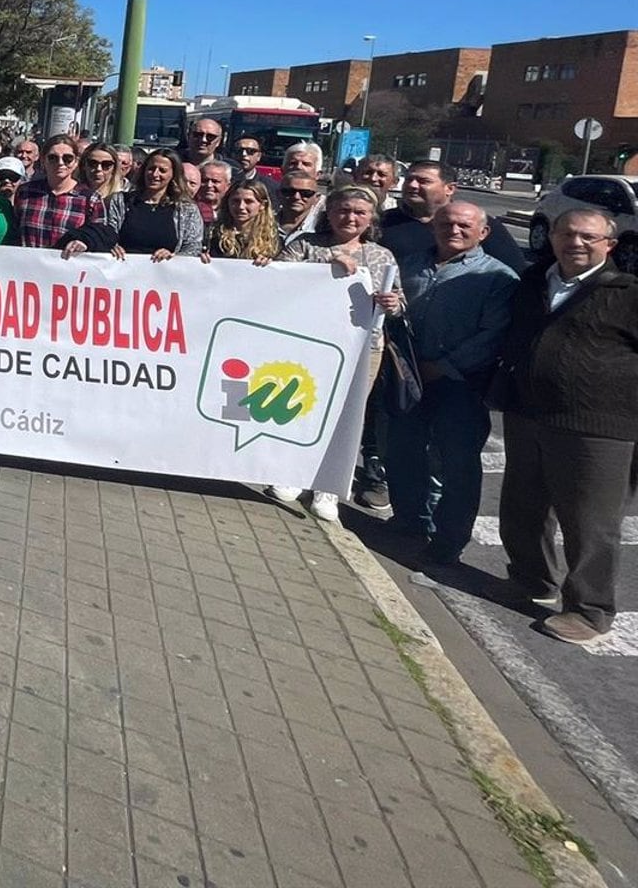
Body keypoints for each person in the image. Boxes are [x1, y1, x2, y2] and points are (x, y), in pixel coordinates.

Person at [493, 208, 638, 645]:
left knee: (590, 522)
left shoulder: (628, 293)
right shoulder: (535, 282)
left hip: (597, 426)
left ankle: (590, 609)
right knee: (524, 506)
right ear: (552, 237)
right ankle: (532, 581)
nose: (576, 243)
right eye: (567, 234)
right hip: (528, 413)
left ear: (609, 245)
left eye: (589, 238)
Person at [390, 202, 518, 565]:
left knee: (457, 465)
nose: (455, 230)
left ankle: (449, 540)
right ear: (434, 226)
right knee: (404, 451)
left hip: (461, 384)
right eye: (447, 223)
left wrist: (444, 366)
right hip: (409, 377)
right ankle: (408, 521)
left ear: (484, 233)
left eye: (464, 225)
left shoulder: (498, 277)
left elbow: (492, 334)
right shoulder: (411, 264)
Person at [271, 185, 405, 520]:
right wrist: (329, 265)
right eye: (343, 210)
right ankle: (294, 472)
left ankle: (328, 486)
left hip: (362, 350)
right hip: (307, 343)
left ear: (371, 218)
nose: (350, 217)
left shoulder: (381, 255)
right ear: (328, 213)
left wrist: (393, 304)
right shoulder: (305, 245)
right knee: (300, 407)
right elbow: (278, 281)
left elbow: (398, 302)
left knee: (347, 416)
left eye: (359, 212)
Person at [380, 161, 526, 275]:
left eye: (423, 181)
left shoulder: (476, 223)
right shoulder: (384, 221)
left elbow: (514, 271)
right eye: (409, 179)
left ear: (449, 188)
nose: (412, 185)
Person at [13, 136, 111, 254]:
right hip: (28, 268)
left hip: (69, 268)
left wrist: (85, 242)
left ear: (76, 162)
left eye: (67, 158)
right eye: (53, 158)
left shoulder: (91, 198)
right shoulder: (25, 191)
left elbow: (101, 234)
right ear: (43, 161)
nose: (60, 163)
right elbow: (14, 232)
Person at [99, 149, 202, 261]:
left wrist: (173, 257)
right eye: (151, 169)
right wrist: (112, 247)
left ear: (173, 175)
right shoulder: (121, 201)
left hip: (165, 274)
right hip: (124, 270)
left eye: (162, 170)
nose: (155, 174)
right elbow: (106, 234)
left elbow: (193, 246)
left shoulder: (186, 209)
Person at [203, 182, 278, 266]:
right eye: (236, 201)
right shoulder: (211, 234)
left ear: (262, 205)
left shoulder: (273, 238)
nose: (241, 207)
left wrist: (269, 262)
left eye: (248, 201)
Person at [276, 171, 325, 246]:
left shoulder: (323, 228)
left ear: (316, 198)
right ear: (278, 194)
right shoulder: (262, 223)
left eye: (305, 193)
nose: (296, 197)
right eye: (289, 191)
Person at [194, 161, 232, 226]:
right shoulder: (190, 208)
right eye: (204, 180)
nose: (209, 185)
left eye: (215, 181)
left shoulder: (232, 210)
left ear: (227, 185)